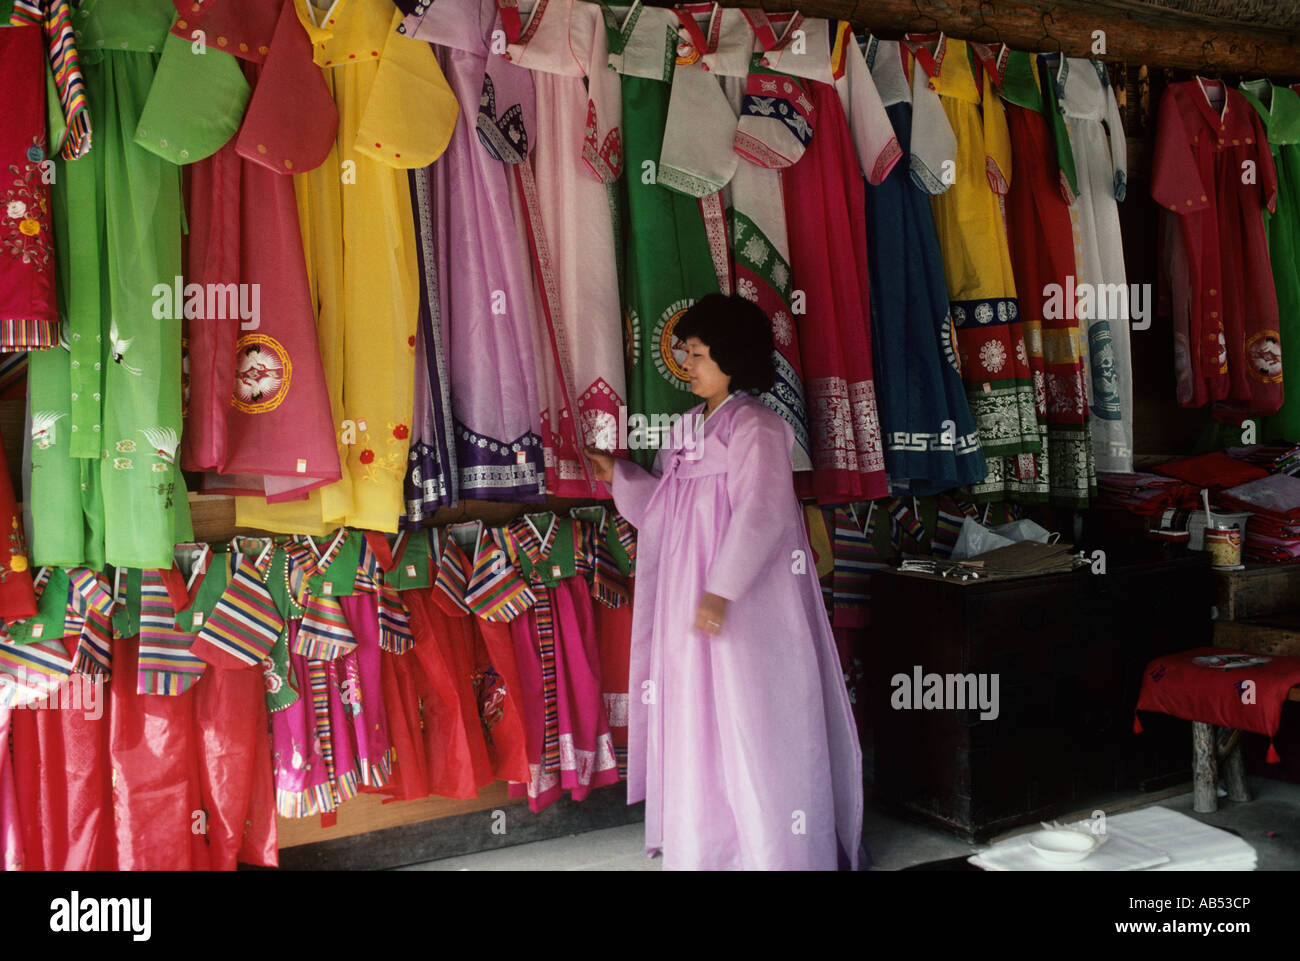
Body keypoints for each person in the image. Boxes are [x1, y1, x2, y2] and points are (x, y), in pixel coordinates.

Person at [584, 293, 865, 870]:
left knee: (751, 714)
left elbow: (762, 512)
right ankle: (709, 850)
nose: (687, 364)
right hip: (691, 599)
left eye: (697, 353)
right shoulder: (686, 427)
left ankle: (772, 852)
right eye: (685, 352)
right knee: (697, 713)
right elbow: (664, 507)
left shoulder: (757, 427)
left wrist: (721, 590)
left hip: (746, 601)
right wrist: (618, 474)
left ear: (731, 356)